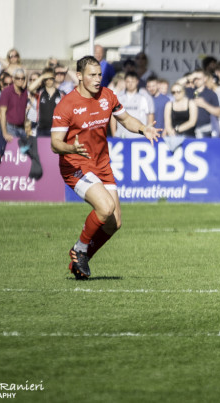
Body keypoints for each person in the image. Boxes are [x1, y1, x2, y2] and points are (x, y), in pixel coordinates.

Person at [52, 55, 160, 280]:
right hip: (75, 165)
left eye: (99, 74)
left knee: (114, 223)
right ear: (79, 76)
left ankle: (79, 261)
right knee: (105, 207)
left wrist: (143, 129)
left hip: (101, 164)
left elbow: (126, 119)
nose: (97, 79)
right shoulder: (66, 104)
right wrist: (71, 148)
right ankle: (79, 249)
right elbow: (55, 143)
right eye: (92, 75)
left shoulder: (107, 96)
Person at [112, 72, 154, 138]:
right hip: (121, 136)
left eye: (133, 81)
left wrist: (148, 132)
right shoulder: (118, 96)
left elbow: (150, 116)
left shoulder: (145, 96)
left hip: (139, 137)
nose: (130, 84)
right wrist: (114, 134)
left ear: (137, 82)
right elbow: (113, 116)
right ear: (125, 82)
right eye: (128, 81)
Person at [30, 70, 63, 138]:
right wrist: (42, 76)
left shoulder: (61, 94)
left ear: (54, 78)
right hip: (42, 129)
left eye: (51, 78)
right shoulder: (40, 93)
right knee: (41, 149)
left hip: (57, 130)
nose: (49, 81)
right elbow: (30, 88)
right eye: (46, 79)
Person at [191, 71, 220, 138]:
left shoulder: (211, 94)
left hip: (205, 130)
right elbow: (177, 84)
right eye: (195, 79)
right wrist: (190, 77)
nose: (196, 81)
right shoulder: (189, 92)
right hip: (190, 130)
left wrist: (204, 105)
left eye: (199, 78)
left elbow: (218, 112)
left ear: (205, 79)